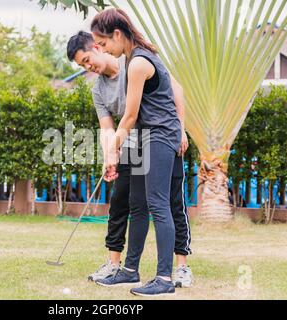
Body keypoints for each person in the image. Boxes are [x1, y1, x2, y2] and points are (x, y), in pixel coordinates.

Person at [90, 8, 188, 297]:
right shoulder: (136, 56)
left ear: (118, 35)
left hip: (160, 135)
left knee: (158, 203)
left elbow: (129, 116)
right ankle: (130, 270)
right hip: (146, 137)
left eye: (104, 43)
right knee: (137, 203)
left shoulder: (138, 63)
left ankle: (164, 278)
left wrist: (113, 150)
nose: (104, 50)